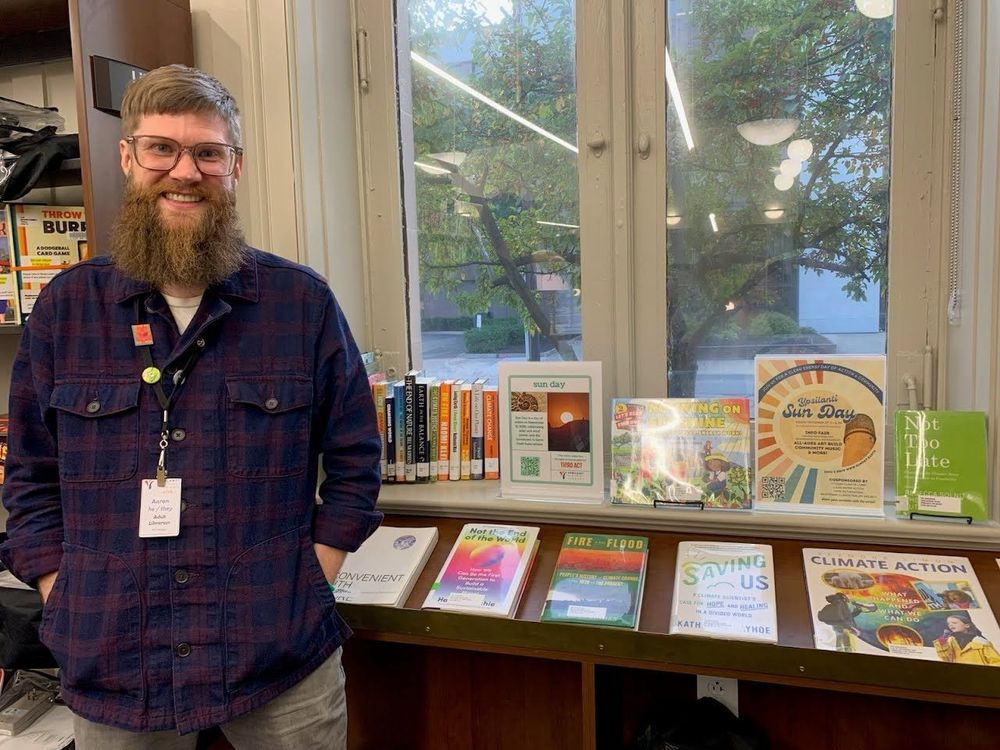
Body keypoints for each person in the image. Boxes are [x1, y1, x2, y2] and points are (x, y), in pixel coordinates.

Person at [0, 65, 382, 748]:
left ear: (235, 166)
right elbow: (29, 475)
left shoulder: (302, 305)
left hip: (279, 650)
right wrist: (63, 589)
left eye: (209, 152)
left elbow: (356, 461)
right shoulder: (65, 310)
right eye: (162, 149)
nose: (186, 171)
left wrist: (311, 579)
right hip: (115, 657)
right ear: (128, 158)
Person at [934, 612, 1000, 666]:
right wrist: (942, 640)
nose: (950, 625)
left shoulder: (980, 642)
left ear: (967, 625)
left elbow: (996, 661)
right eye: (949, 624)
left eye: (954, 623)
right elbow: (945, 658)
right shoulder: (950, 641)